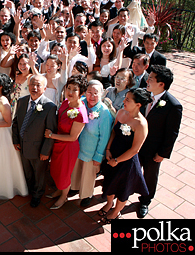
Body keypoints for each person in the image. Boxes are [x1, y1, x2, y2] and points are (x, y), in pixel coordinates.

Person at [99, 88, 152, 224]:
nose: (124, 101)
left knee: (123, 190)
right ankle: (109, 203)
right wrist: (108, 149)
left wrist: (117, 161)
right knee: (109, 182)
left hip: (126, 161)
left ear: (138, 104)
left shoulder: (141, 124)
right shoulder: (121, 113)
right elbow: (114, 132)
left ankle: (116, 212)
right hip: (113, 155)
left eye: (128, 99)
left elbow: (135, 149)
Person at [137, 65, 183, 218]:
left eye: (150, 79)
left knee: (150, 175)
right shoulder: (144, 95)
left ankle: (145, 200)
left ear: (161, 84)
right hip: (137, 143)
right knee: (133, 170)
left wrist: (163, 153)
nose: (147, 80)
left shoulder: (173, 105)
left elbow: (172, 133)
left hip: (153, 148)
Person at [12, 74, 58, 207]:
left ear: (44, 88)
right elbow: (16, 122)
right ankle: (29, 189)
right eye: (32, 84)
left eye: (38, 85)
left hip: (39, 150)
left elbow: (51, 131)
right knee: (27, 171)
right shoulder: (21, 101)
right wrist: (16, 140)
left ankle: (37, 194)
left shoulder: (50, 107)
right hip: (22, 146)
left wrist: (45, 151)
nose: (35, 88)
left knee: (39, 174)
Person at [45, 75, 89, 209]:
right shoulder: (66, 102)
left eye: (74, 90)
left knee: (64, 173)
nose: (70, 92)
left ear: (81, 93)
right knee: (56, 170)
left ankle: (64, 197)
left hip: (68, 148)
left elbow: (72, 137)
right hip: (58, 143)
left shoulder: (80, 113)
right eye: (68, 88)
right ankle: (59, 190)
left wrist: (52, 136)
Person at [71, 80, 113, 207]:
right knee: (76, 169)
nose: (92, 96)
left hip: (92, 149)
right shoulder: (81, 102)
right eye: (89, 92)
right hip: (77, 146)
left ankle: (86, 195)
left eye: (96, 93)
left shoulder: (104, 112)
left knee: (88, 175)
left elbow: (104, 137)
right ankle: (74, 186)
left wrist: (98, 156)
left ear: (102, 94)